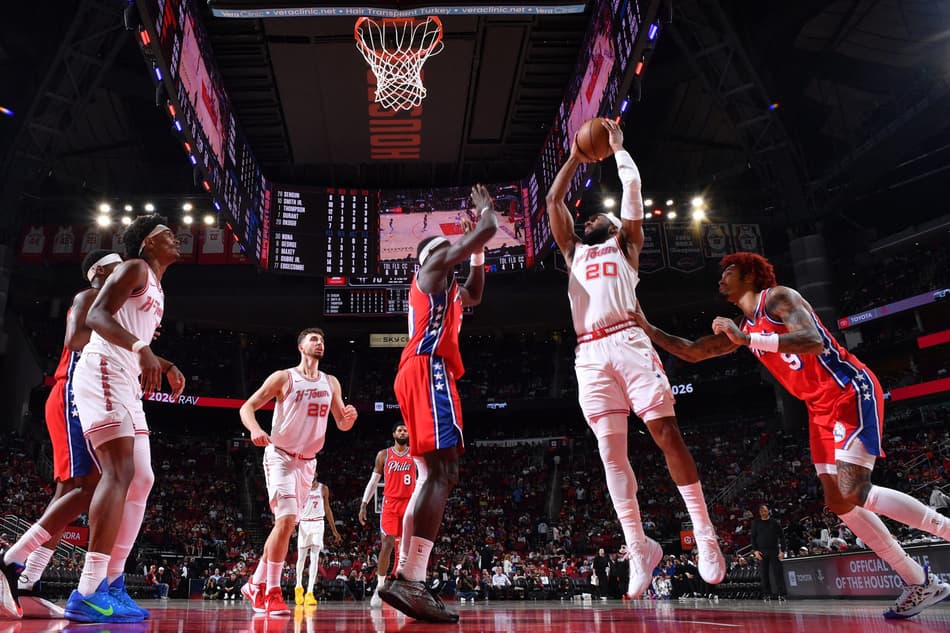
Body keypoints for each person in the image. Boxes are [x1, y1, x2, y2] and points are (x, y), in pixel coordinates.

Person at [631, 251, 950, 618]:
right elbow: (694, 352)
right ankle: (917, 579)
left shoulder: (779, 297)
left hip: (847, 390)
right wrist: (647, 327)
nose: (720, 279)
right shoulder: (744, 326)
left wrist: (749, 340)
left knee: (854, 490)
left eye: (728, 271)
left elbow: (812, 340)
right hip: (818, 409)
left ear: (749, 275)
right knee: (839, 502)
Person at [545, 119, 725, 600]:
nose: (587, 222)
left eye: (595, 219)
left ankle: (705, 534)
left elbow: (632, 187)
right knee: (610, 454)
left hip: (629, 341)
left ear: (613, 225)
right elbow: (553, 203)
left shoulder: (626, 244)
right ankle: (638, 546)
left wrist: (619, 147)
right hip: (589, 353)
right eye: (586, 221)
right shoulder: (573, 252)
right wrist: (576, 158)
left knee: (666, 433)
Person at [377, 185, 498, 623]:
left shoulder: (447, 293)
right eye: (449, 251)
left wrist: (479, 256)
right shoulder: (430, 271)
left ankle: (406, 575)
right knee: (444, 471)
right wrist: (484, 214)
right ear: (434, 256)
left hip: (421, 371)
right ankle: (411, 578)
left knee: (432, 472)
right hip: (427, 369)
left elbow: (477, 293)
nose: (454, 254)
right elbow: (485, 230)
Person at [62, 216, 184, 624]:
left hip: (126, 379)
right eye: (168, 234)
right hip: (102, 370)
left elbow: (132, 335)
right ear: (148, 242)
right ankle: (87, 589)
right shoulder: (135, 268)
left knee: (143, 478)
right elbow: (96, 317)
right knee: (119, 471)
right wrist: (141, 348)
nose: (176, 238)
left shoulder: (159, 288)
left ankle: (113, 583)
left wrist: (162, 363)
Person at [0, 250, 121, 620]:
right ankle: (11, 562)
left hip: (85, 394)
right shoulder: (89, 297)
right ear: (100, 271)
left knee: (71, 492)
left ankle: (28, 582)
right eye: (118, 269)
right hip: (71, 389)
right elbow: (75, 341)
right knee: (88, 485)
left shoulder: (112, 306)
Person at [239, 327, 358, 616]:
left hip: (308, 462)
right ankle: (273, 591)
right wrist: (255, 429)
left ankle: (255, 583)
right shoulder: (284, 377)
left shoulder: (331, 383)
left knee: (285, 526)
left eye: (323, 340)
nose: (320, 343)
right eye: (314, 339)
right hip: (280, 456)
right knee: (289, 518)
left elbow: (341, 423)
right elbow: (247, 407)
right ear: (301, 346)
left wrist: (349, 419)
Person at [359, 422, 416, 608]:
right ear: (394, 434)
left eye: (405, 430)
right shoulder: (384, 455)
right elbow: (373, 481)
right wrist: (364, 504)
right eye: (399, 430)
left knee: (406, 547)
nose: (402, 432)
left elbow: (425, 477)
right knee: (388, 543)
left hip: (409, 504)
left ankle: (403, 587)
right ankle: (380, 588)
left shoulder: (415, 454)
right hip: (390, 504)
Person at [294, 471, 341, 606]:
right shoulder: (301, 487)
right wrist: (293, 524)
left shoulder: (323, 488)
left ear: (316, 474)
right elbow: (296, 507)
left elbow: (327, 509)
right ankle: (298, 587)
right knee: (301, 558)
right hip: (304, 523)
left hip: (318, 523)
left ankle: (309, 592)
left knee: (315, 558)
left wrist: (334, 530)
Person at [750, 505, 786, 601]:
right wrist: (756, 551)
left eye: (764, 510)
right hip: (761, 551)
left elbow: (782, 537)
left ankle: (781, 594)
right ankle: (767, 594)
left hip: (774, 550)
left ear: (768, 511)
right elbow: (753, 538)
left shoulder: (774, 522)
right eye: (761, 511)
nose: (763, 512)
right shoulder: (756, 523)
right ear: (759, 512)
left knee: (778, 573)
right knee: (764, 574)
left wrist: (782, 551)